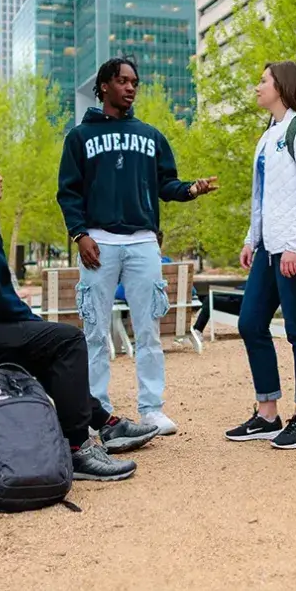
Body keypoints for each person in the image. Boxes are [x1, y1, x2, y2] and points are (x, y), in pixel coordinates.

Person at [0, 143, 158, 482]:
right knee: (66, 341)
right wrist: (33, 322)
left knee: (45, 344)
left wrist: (31, 327)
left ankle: (104, 423)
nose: (1, 176)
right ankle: (77, 449)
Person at [58, 57, 218, 436]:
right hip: (98, 243)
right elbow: (68, 192)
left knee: (147, 330)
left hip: (143, 243)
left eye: (134, 82)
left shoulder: (151, 136)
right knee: (95, 332)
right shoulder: (78, 137)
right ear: (103, 87)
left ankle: (152, 409)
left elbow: (166, 185)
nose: (130, 87)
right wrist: (80, 235)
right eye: (122, 81)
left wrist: (191, 189)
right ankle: (98, 412)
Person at [225, 61, 296, 450]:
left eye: (263, 81)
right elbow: (264, 196)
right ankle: (267, 414)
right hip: (271, 246)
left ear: (282, 87)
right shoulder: (269, 134)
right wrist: (251, 238)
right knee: (251, 322)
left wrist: (294, 244)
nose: (257, 87)